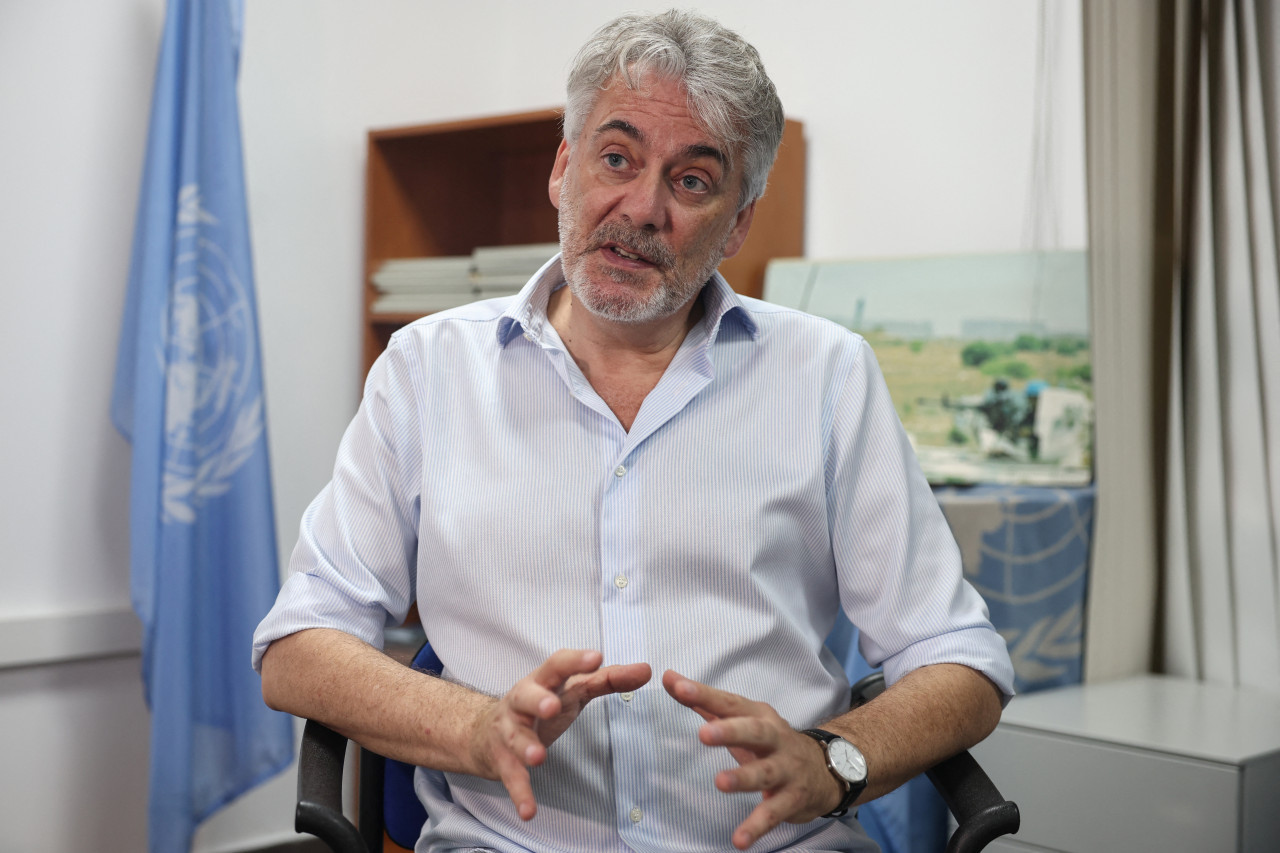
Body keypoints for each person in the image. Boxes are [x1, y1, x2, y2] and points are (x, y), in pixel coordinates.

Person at [254, 10, 1014, 852]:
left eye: (692, 181)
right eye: (617, 159)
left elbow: (961, 657)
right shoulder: (427, 369)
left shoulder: (828, 376)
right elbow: (298, 646)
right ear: (563, 168)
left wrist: (835, 758)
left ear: (738, 223)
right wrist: (474, 726)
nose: (642, 208)